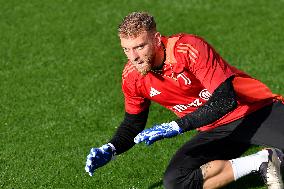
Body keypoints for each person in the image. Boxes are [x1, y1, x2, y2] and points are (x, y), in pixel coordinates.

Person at [85, 12, 284, 189]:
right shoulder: (132, 77)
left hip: (254, 112)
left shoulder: (188, 48)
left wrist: (177, 125)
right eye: (126, 50)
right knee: (176, 181)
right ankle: (262, 160)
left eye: (139, 47)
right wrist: (111, 149)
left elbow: (225, 100)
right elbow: (133, 123)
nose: (133, 57)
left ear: (156, 39)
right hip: (213, 129)